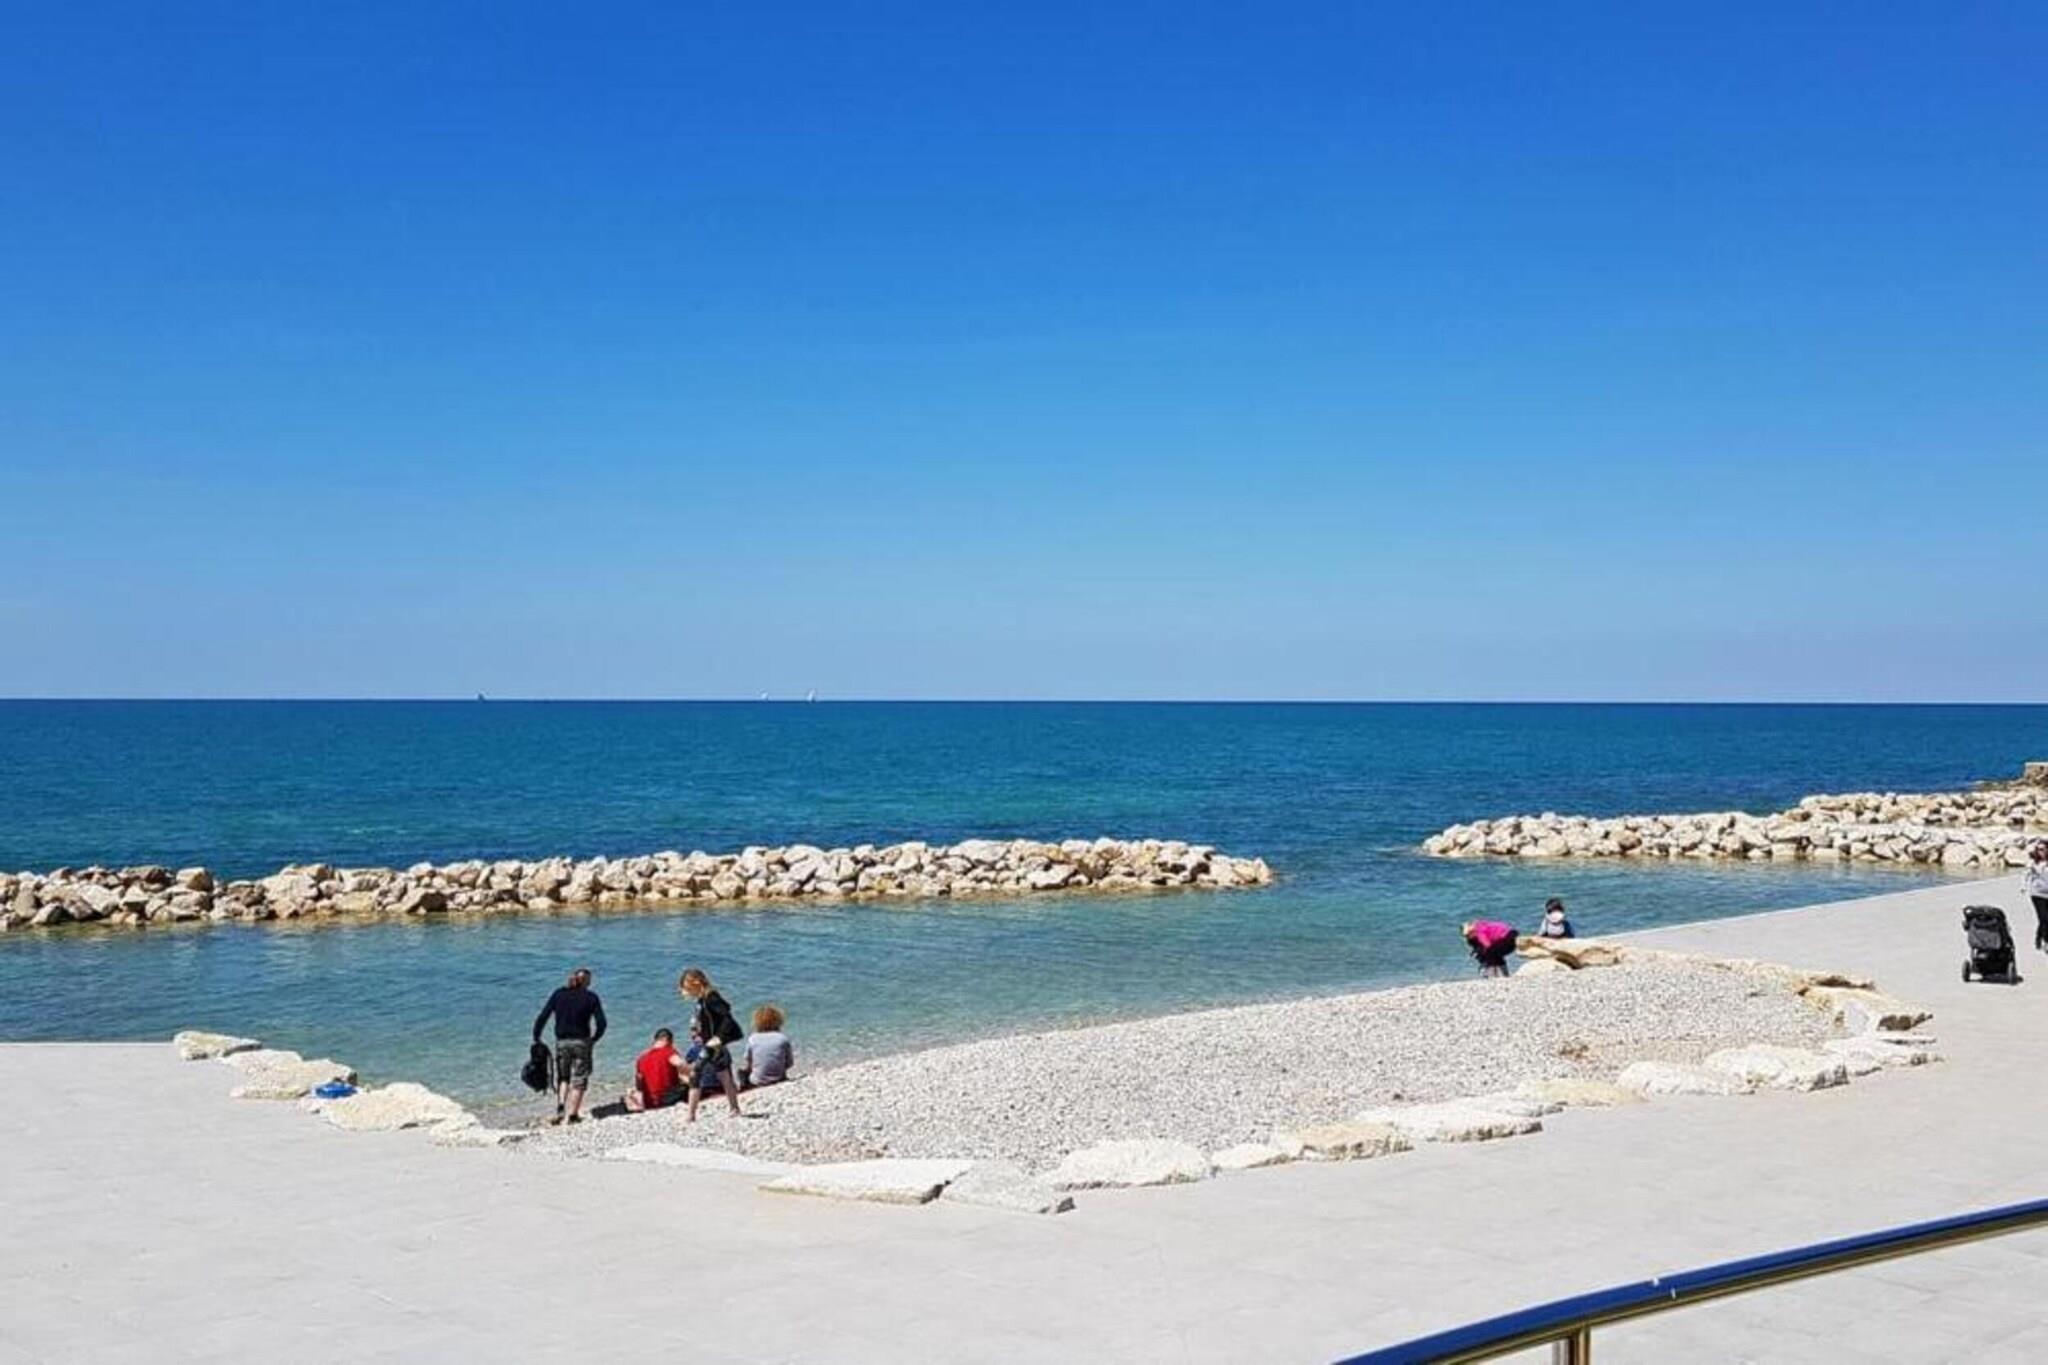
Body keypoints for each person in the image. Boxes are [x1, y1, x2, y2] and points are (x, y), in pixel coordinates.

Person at [533, 967, 607, 1125]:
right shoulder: (591, 997)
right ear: (586, 981)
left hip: (562, 1042)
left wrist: (536, 1036)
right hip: (582, 1042)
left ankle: (561, 1106)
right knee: (580, 1078)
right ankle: (573, 1115)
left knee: (563, 1077)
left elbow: (543, 1016)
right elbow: (602, 1022)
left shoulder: (558, 994)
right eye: (590, 980)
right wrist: (595, 1038)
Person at [678, 967, 744, 1121]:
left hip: (714, 1044)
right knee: (724, 1074)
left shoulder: (711, 997)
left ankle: (691, 1115)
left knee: (695, 1073)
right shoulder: (702, 999)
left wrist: (719, 1038)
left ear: (696, 983)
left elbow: (727, 1016)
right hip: (709, 1043)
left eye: (688, 988)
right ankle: (734, 1108)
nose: (686, 992)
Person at [624, 1028, 689, 1112]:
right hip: (668, 1098)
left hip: (649, 1102)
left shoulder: (641, 1058)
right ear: (667, 1039)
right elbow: (680, 1063)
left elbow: (639, 1083)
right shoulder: (668, 1051)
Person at [738, 1004, 795, 1090]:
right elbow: (790, 1063)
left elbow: (749, 1063)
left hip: (757, 1082)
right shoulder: (782, 1038)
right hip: (779, 1078)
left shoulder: (753, 1039)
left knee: (741, 1073)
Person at [2026, 842, 2048, 951]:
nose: (2041, 852)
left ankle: (2038, 937)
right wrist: (2024, 887)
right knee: (2044, 918)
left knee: (2044, 920)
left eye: (2043, 849)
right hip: (2037, 894)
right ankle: (2046, 940)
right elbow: (2026, 875)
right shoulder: (2033, 863)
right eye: (2038, 849)